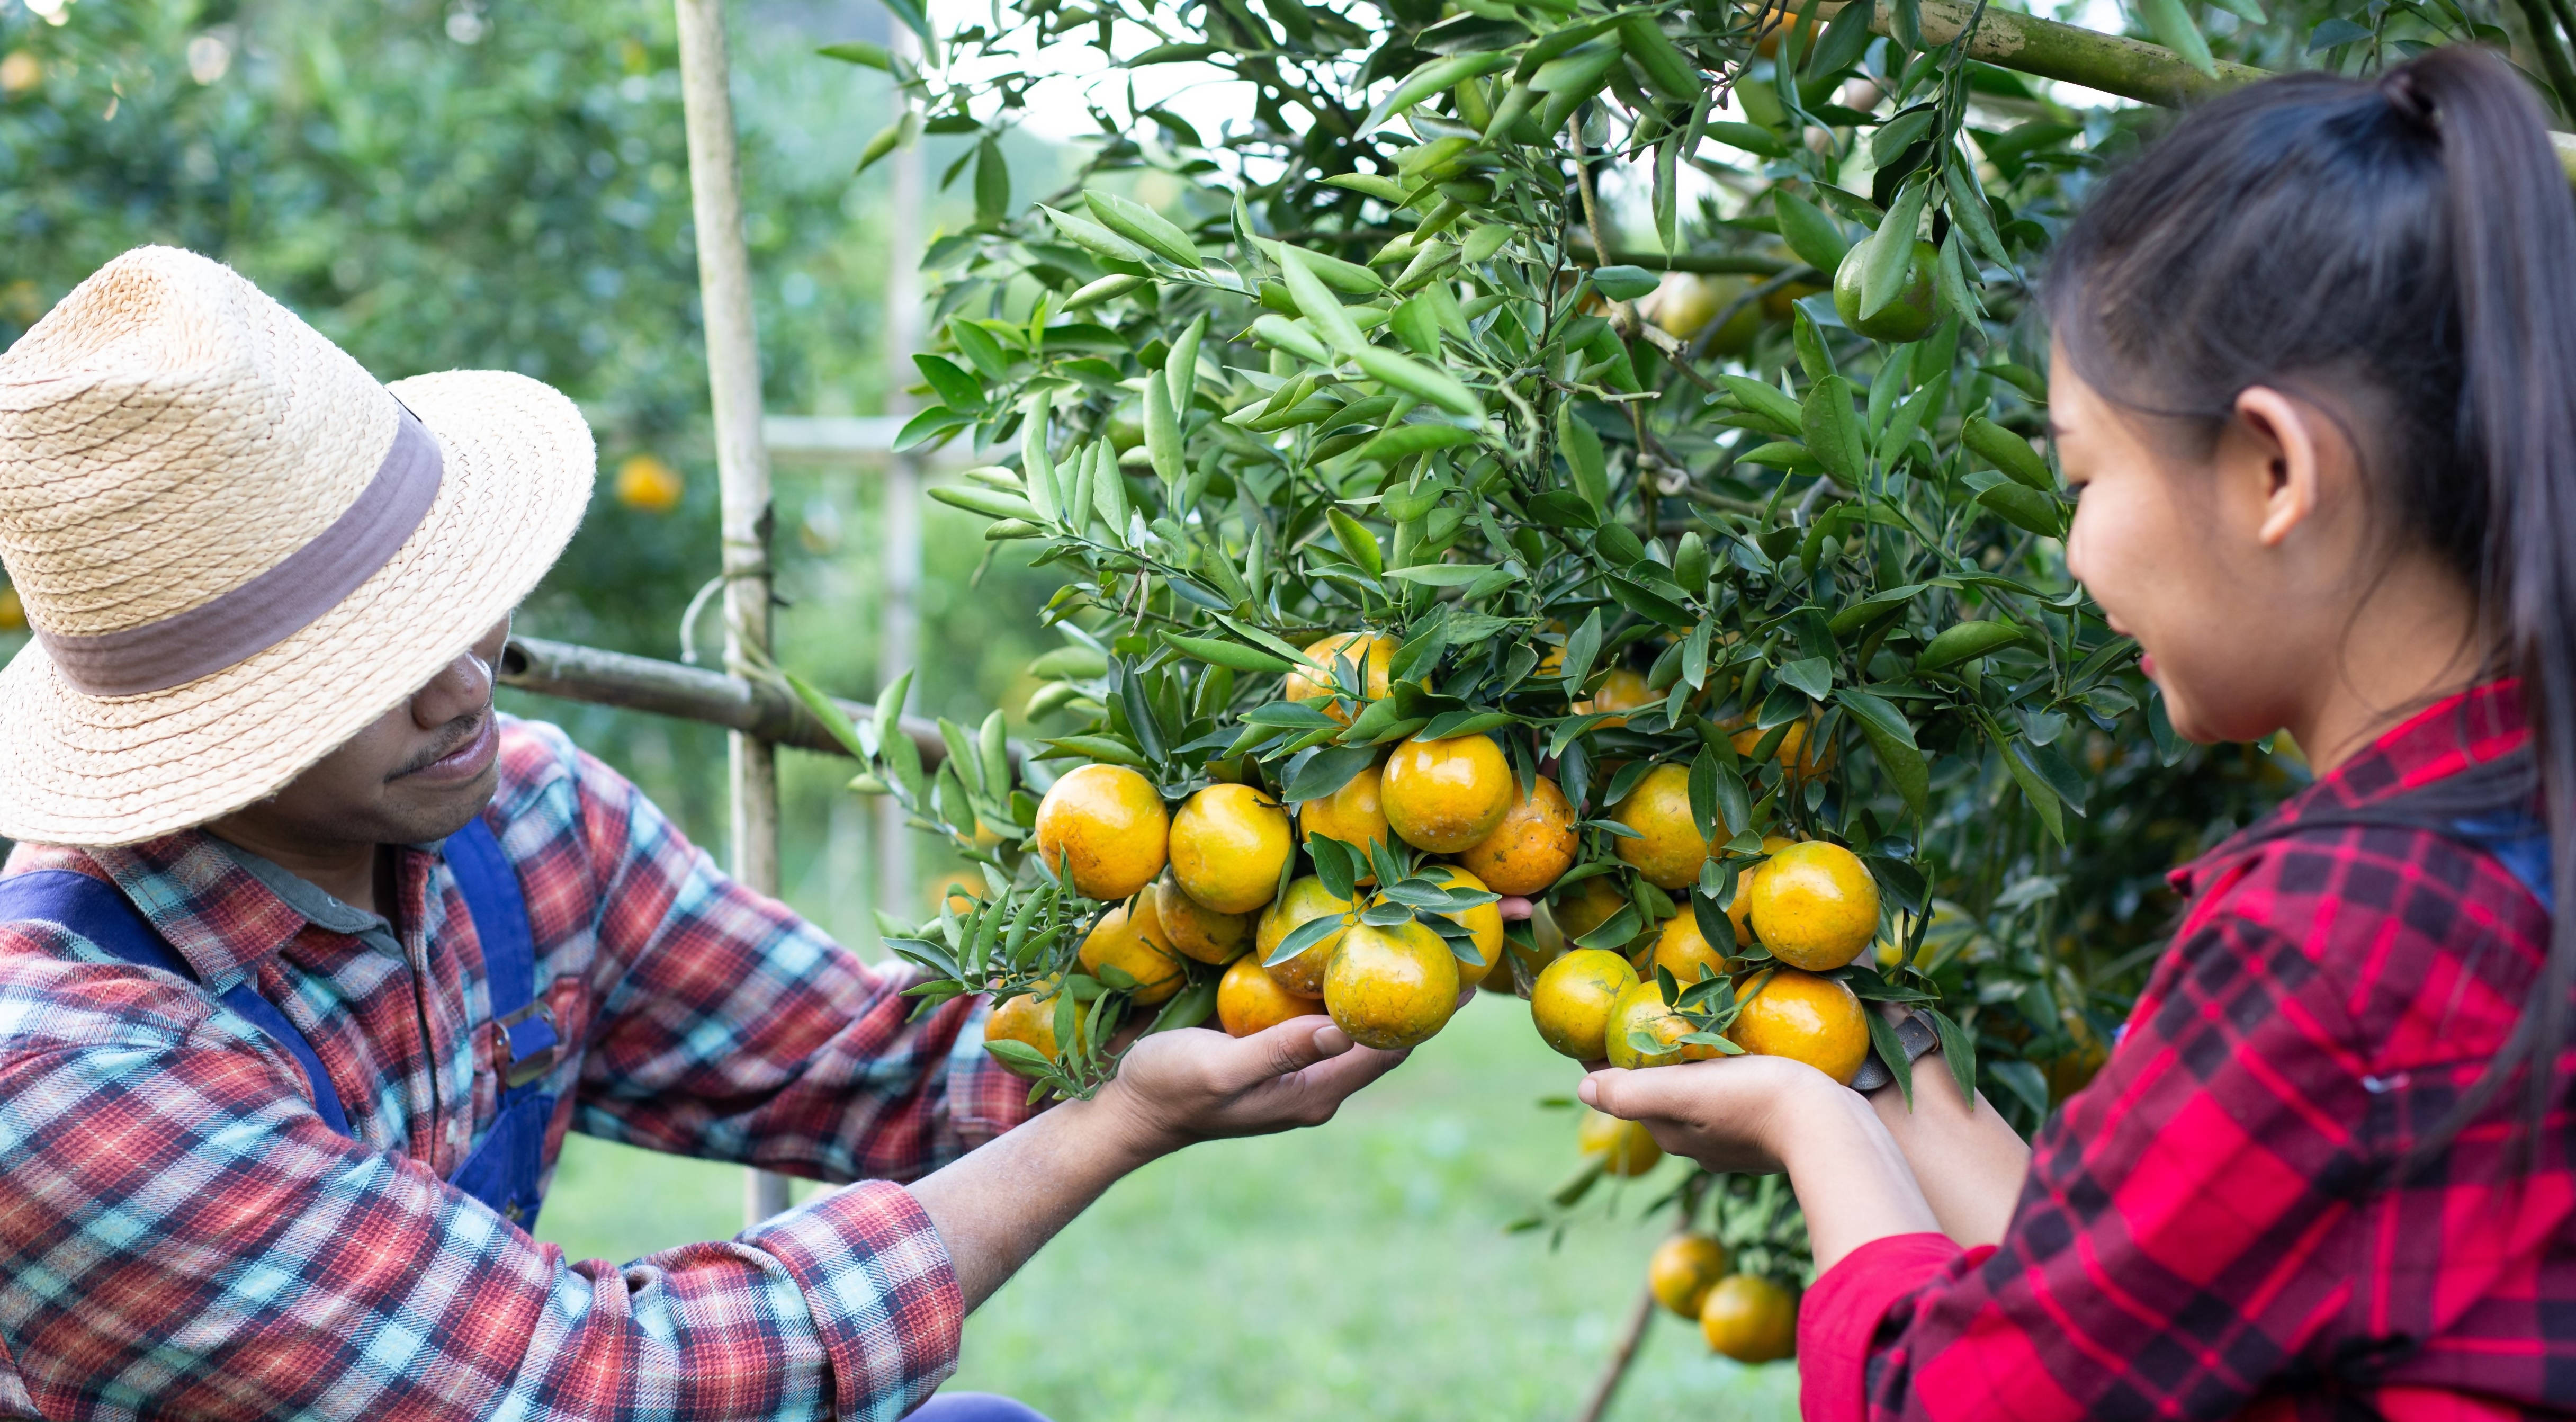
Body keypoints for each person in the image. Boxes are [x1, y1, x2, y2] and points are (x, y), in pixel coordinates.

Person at [0, 247, 1407, 1421]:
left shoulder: (522, 823)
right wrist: (1110, 1130)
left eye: (449, 601)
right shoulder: (65, 1077)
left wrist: (1306, 906)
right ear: (190, 721)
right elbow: (595, 1386)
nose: (457, 684)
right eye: (357, 668)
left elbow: (870, 1067)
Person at [1581, 44, 2576, 1419]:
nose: (2071, 552)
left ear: (2272, 470)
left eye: (2082, 473)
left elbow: (1959, 1399)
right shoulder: (2509, 840)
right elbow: (2109, 1300)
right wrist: (1886, 1063)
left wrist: (1807, 1122)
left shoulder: (2335, 942)